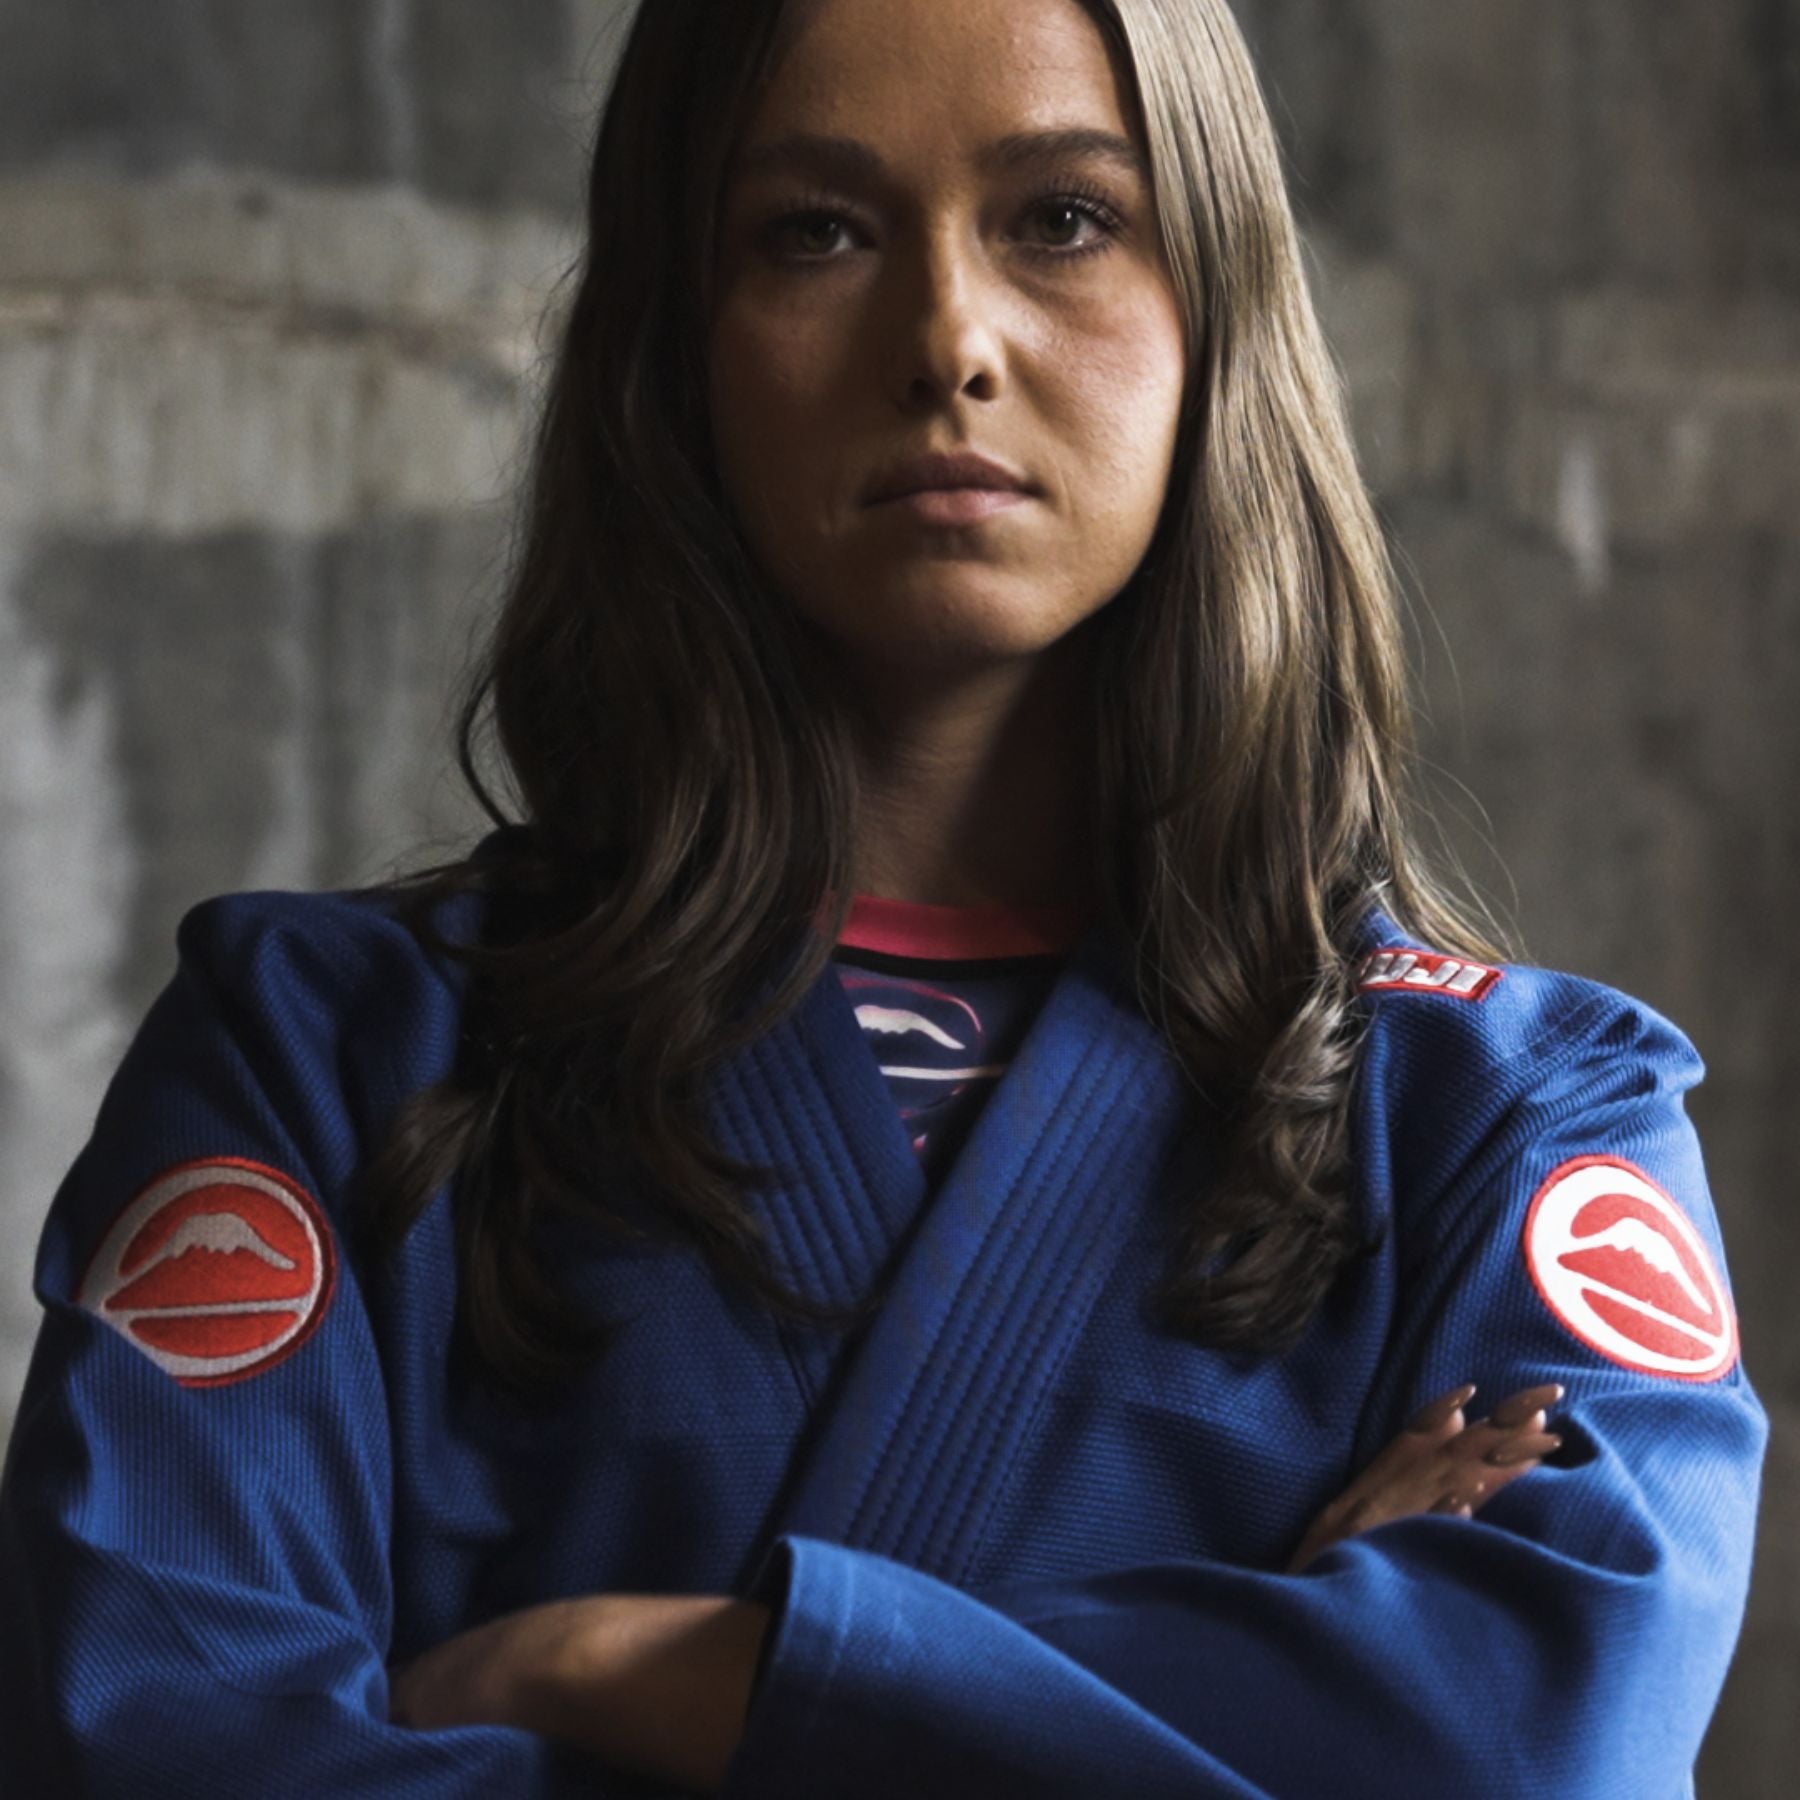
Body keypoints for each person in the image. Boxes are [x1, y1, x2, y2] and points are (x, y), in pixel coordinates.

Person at [0, 0, 1764, 1794]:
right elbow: (158, 1747)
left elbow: (1546, 1733)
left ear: (1215, 304)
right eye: (815, 232)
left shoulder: (1507, 1118)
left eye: (1063, 219)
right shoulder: (320, 1061)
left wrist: (624, 1668)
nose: (947, 341)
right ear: (675, 338)